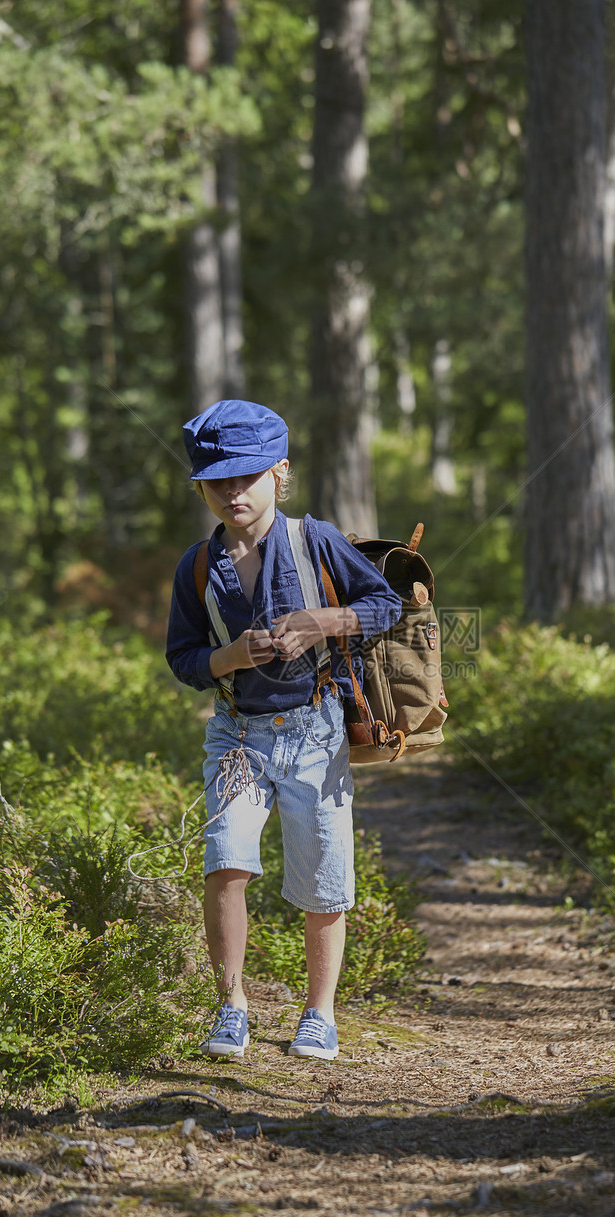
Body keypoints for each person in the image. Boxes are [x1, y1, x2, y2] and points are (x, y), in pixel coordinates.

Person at [166, 399, 401, 1062]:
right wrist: (231, 657)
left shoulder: (314, 540)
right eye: (217, 480)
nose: (232, 491)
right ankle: (231, 1005)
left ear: (280, 473)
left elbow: (382, 604)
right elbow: (183, 658)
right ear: (203, 487)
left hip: (316, 735)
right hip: (237, 735)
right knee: (226, 861)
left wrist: (326, 622)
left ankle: (318, 1013)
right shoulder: (195, 566)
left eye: (247, 476)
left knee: (325, 874)